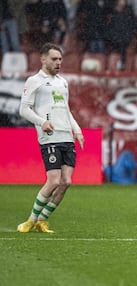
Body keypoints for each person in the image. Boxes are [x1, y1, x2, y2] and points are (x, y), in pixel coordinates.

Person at [17, 42, 84, 233]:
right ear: (43, 59)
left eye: (60, 59)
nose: (58, 62)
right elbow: (24, 109)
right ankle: (30, 220)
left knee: (66, 182)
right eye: (54, 59)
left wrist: (77, 131)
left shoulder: (62, 82)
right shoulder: (34, 81)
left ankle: (42, 220)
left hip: (66, 136)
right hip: (50, 137)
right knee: (54, 180)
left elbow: (66, 109)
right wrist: (41, 122)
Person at [105, 0, 137, 71]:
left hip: (125, 38)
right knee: (112, 53)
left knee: (123, 53)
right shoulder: (112, 10)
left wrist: (130, 36)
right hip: (113, 38)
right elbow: (109, 25)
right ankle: (112, 67)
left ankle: (122, 66)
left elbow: (132, 24)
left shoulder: (129, 10)